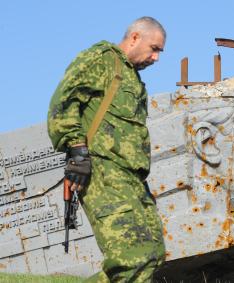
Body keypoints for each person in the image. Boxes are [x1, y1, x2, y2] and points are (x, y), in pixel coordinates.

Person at [47, 16, 166, 282]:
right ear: (135, 37)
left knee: (153, 253)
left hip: (132, 179)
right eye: (154, 48)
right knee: (130, 259)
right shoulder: (101, 59)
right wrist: (77, 151)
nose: (156, 58)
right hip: (103, 171)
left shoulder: (133, 78)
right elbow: (63, 103)